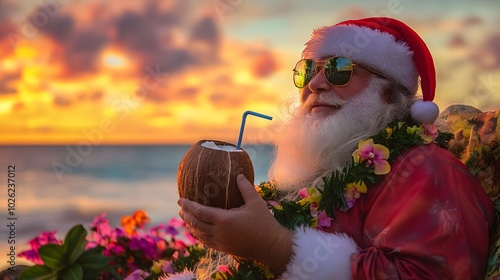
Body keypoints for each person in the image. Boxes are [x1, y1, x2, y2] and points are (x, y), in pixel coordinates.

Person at [177, 17, 494, 279]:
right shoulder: (326, 166)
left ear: (388, 91)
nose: (314, 84)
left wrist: (273, 246)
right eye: (307, 71)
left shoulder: (429, 169)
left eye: (338, 70)